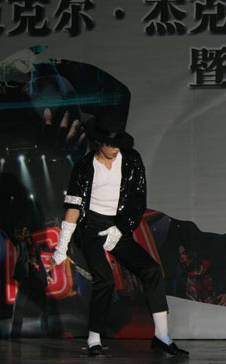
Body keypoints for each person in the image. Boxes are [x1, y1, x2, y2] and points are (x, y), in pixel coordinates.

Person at [49, 110, 189, 357]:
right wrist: (61, 247)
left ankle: (162, 336)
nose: (115, 149)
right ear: (98, 142)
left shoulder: (132, 160)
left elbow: (137, 201)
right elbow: (73, 208)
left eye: (118, 143)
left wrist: (121, 229)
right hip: (91, 228)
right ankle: (94, 338)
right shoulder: (83, 168)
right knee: (104, 279)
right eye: (111, 144)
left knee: (152, 271)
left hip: (117, 226)